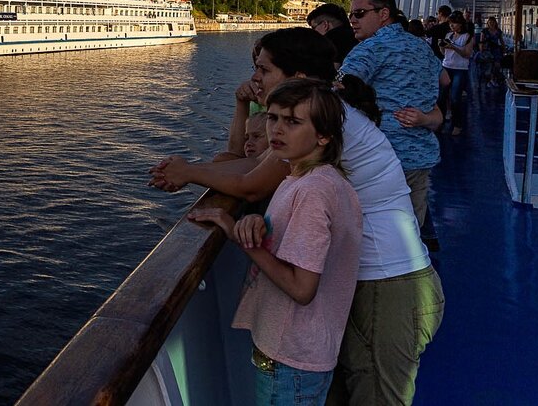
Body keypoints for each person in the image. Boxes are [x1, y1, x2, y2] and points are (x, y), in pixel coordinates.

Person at [157, 28, 443, 405]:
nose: (255, 78)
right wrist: (196, 167)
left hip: (389, 284)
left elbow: (251, 185)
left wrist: (189, 173)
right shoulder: (318, 122)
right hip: (373, 282)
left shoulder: (324, 124)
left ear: (299, 80)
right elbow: (252, 166)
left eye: (264, 69)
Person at [188, 78, 362, 406]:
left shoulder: (312, 191)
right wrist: (255, 225)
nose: (277, 130)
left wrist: (244, 239)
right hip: (296, 352)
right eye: (273, 117)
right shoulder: (305, 178)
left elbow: (302, 288)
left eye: (293, 122)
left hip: (291, 358)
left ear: (323, 136)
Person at [339, 0, 442, 229]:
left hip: (380, 159)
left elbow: (338, 89)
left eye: (360, 13)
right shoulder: (421, 47)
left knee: (374, 236)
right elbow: (444, 79)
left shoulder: (370, 49)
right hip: (419, 157)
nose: (352, 20)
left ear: (384, 13)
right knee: (410, 234)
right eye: (350, 15)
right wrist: (425, 115)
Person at [439, 12, 474, 136]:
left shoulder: (468, 37)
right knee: (442, 97)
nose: (451, 26)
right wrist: (442, 47)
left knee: (455, 98)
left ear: (460, 24)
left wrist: (453, 47)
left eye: (454, 23)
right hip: (446, 66)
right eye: (450, 23)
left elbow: (467, 54)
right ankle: (440, 122)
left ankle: (457, 124)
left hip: (460, 69)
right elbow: (444, 53)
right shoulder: (449, 35)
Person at [478, 17, 506, 87]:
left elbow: (501, 41)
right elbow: (481, 41)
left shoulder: (498, 31)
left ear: (495, 23)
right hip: (487, 50)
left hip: (496, 50)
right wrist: (481, 50)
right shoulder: (484, 31)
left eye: (493, 22)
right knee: (489, 66)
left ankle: (494, 79)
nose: (491, 23)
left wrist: (504, 48)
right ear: (488, 23)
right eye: (490, 22)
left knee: (497, 65)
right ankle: (490, 80)